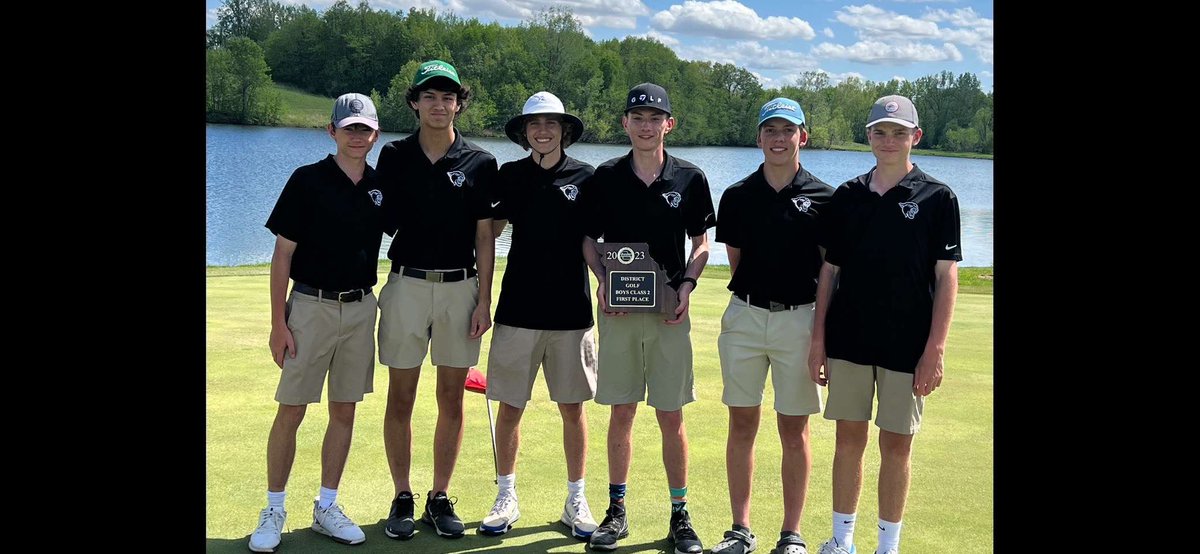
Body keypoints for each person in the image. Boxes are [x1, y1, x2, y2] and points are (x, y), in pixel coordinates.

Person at [809, 95, 961, 554]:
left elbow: (946, 275)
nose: (889, 140)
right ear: (869, 137)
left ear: (915, 137)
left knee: (897, 446)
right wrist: (818, 340)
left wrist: (935, 349)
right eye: (880, 132)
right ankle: (842, 539)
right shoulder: (848, 195)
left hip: (907, 345)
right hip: (850, 339)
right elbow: (829, 273)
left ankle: (887, 546)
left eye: (899, 132)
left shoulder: (938, 197)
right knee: (848, 441)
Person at [581, 82, 715, 554]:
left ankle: (680, 515)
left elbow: (701, 244)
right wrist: (601, 278)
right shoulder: (604, 177)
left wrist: (688, 285)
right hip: (618, 312)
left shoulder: (690, 179)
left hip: (668, 314)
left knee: (670, 414)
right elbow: (589, 240)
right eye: (637, 117)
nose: (645, 125)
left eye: (654, 118)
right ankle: (616, 512)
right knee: (621, 412)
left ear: (668, 125)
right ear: (625, 123)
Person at [249, 93, 383, 552]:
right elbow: (282, 253)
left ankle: (326, 506)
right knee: (292, 409)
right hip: (309, 306)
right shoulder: (306, 181)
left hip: (362, 307)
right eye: (349, 128)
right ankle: (273, 508)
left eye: (364, 129)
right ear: (332, 132)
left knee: (344, 409)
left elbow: (423, 224)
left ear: (375, 134)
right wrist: (277, 323)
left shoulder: (378, 187)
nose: (357, 136)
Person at [374, 59, 498, 540]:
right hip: (405, 284)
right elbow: (373, 220)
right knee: (400, 394)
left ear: (458, 104)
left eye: (448, 97)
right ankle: (403, 495)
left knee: (452, 397)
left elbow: (486, 236)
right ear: (414, 103)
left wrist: (484, 299)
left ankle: (439, 495)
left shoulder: (480, 163)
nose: (439, 104)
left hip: (459, 287)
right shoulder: (394, 156)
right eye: (429, 96)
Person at [710, 98, 833, 554]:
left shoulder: (825, 198)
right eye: (770, 130)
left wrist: (821, 334)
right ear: (759, 138)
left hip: (799, 320)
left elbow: (828, 273)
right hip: (744, 315)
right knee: (742, 422)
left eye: (788, 130)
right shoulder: (738, 195)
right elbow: (737, 259)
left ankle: (791, 534)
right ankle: (740, 528)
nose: (779, 138)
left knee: (793, 429)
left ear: (803, 136)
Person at [475, 91, 600, 540]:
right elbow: (489, 232)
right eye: (534, 125)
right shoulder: (510, 176)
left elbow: (592, 239)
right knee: (510, 407)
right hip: (517, 311)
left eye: (551, 124)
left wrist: (607, 280)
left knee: (573, 408)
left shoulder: (586, 177)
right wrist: (481, 298)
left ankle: (576, 499)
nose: (542, 131)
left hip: (572, 313)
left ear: (564, 130)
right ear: (525, 132)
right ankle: (506, 494)